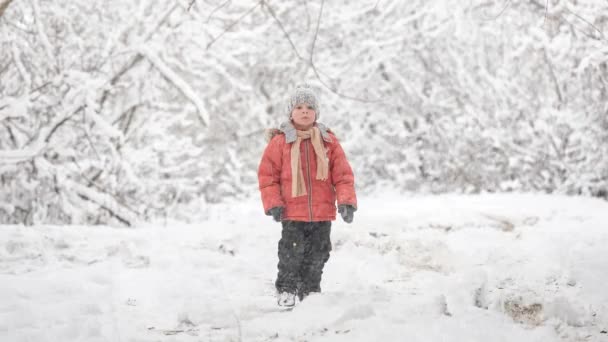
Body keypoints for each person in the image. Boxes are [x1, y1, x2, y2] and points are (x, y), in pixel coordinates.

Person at [257, 84, 357, 307]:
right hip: (292, 212)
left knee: (319, 254)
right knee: (291, 253)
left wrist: (346, 201)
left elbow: (342, 174)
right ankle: (287, 289)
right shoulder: (280, 142)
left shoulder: (328, 141)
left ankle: (310, 290)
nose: (304, 111)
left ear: (316, 113)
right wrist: (273, 203)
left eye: (310, 107)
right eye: (299, 107)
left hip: (322, 212)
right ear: (291, 112)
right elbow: (268, 177)